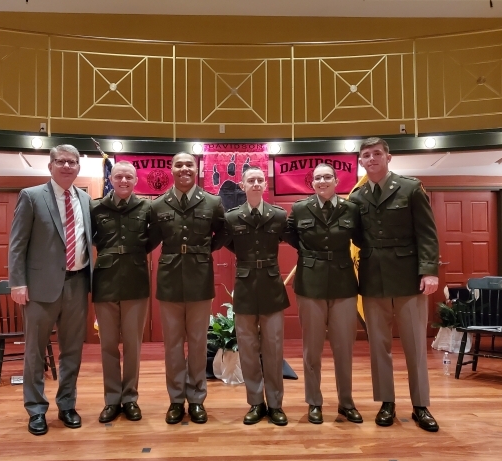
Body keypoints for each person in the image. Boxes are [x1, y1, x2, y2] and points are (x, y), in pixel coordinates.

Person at [349, 137, 440, 433]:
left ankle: (420, 405)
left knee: (415, 343)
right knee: (379, 346)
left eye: (377, 153)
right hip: (374, 278)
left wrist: (429, 271)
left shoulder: (411, 187)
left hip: (408, 277)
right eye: (366, 155)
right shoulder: (357, 197)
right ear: (360, 161)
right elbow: (359, 237)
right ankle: (386, 402)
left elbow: (427, 232)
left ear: (389, 157)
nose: (372, 159)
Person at [8, 144, 93, 436]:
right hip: (40, 288)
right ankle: (35, 409)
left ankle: (67, 405)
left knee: (72, 351)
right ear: (51, 165)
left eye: (73, 161)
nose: (67, 166)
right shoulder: (31, 197)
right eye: (62, 161)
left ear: (78, 167)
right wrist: (17, 282)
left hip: (78, 283)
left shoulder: (84, 199)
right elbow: (17, 243)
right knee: (35, 352)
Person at [149, 152, 225, 424]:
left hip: (199, 280)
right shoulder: (158, 205)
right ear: (171, 169)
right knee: (172, 346)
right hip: (169, 281)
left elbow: (223, 231)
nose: (184, 169)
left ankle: (196, 400)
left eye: (188, 165)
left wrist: (204, 250)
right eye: (178, 165)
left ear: (197, 169)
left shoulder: (212, 202)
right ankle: (175, 400)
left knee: (197, 344)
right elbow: (151, 238)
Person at [284, 163, 363, 425]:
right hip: (310, 283)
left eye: (327, 177)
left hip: (343, 283)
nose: (322, 181)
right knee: (312, 350)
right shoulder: (299, 208)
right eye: (317, 178)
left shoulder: (351, 208)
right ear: (312, 183)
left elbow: (361, 237)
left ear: (336, 180)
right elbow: (290, 234)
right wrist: (310, 253)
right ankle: (314, 402)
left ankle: (346, 402)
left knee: (344, 349)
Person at [219, 167, 290, 426]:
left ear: (265, 184)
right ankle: (255, 403)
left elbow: (296, 240)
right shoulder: (232, 217)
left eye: (260, 180)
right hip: (246, 287)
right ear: (243, 185)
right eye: (251, 180)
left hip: (271, 287)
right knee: (248, 349)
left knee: (273, 348)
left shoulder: (279, 215)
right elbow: (224, 242)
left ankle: (276, 404)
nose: (256, 183)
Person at [91, 161, 153, 424]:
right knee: (107, 345)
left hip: (135, 279)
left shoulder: (146, 207)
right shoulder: (95, 207)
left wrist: (136, 252)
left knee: (132, 345)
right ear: (111, 179)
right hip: (105, 280)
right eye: (119, 176)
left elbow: (155, 237)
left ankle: (130, 398)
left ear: (136, 180)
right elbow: (90, 237)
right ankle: (111, 399)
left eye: (129, 176)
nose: (124, 181)